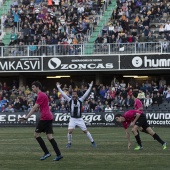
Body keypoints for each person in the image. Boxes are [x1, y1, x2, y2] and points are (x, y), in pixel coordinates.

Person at [19, 81, 63, 161]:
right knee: (49, 137)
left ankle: (47, 153)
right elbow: (37, 108)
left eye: (33, 87)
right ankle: (59, 154)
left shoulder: (41, 95)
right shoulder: (41, 95)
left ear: (37, 87)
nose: (32, 89)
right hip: (48, 117)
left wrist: (26, 117)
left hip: (45, 117)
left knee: (36, 135)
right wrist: (35, 109)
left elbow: (34, 108)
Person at [56, 81, 97, 148]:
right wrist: (58, 87)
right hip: (72, 118)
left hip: (79, 119)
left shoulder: (81, 100)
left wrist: (90, 87)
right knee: (70, 131)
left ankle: (93, 142)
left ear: (77, 95)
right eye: (73, 94)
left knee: (85, 131)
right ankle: (69, 143)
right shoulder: (69, 100)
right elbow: (63, 94)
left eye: (75, 94)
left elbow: (86, 94)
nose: (74, 95)